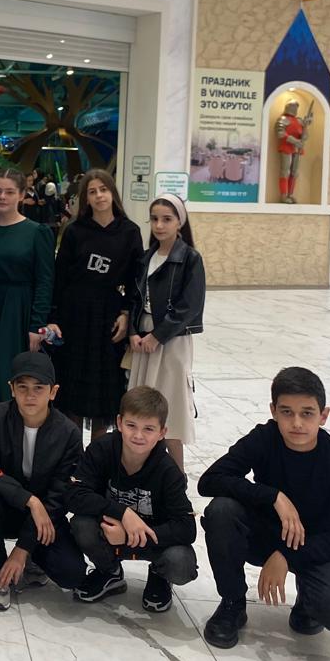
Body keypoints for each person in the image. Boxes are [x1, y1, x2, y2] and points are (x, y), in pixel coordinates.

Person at [198, 366, 330, 649]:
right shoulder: (264, 438)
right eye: (287, 412)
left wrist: (286, 556)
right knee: (222, 510)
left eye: (307, 413)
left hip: (314, 545)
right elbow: (210, 481)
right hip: (264, 533)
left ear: (323, 415)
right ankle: (232, 603)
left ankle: (307, 603)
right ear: (273, 411)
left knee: (328, 603)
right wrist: (273, 496)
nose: (296, 423)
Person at [0, 351, 88, 610]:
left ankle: (33, 557)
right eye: (22, 387)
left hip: (45, 516)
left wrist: (23, 548)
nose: (30, 395)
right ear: (11, 389)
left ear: (53, 392)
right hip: (7, 506)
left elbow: (61, 493)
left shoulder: (69, 433)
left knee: (72, 574)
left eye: (38, 388)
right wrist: (29, 500)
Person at [68, 384, 198, 611]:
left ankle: (159, 575)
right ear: (119, 423)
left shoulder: (169, 471)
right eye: (131, 426)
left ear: (162, 433)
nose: (138, 435)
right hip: (110, 533)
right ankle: (109, 571)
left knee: (181, 562)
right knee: (81, 525)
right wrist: (122, 513)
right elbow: (74, 495)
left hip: (152, 541)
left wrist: (132, 534)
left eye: (148, 429)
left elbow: (187, 528)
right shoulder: (101, 449)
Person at [47, 168, 143, 435]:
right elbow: (60, 278)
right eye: (92, 191)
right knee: (72, 389)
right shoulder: (75, 231)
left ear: (113, 193)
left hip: (108, 316)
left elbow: (136, 281)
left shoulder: (130, 232)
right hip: (75, 315)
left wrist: (126, 313)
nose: (99, 195)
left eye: (103, 189)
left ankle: (98, 455)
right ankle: (72, 453)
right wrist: (53, 317)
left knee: (104, 393)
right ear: (85, 199)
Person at [127, 194, 205, 472]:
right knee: (142, 405)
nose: (159, 225)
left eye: (167, 219)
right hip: (143, 340)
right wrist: (134, 332)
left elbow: (189, 306)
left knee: (171, 407)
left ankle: (176, 478)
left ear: (179, 222)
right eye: (155, 219)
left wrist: (158, 335)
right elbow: (135, 299)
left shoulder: (190, 258)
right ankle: (142, 471)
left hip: (172, 340)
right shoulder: (146, 257)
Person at [0, 168, 55, 406]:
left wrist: (37, 324)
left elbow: (45, 281)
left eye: (9, 192)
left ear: (21, 195)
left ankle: (8, 422)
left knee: (7, 371)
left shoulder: (36, 232)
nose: (2, 197)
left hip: (18, 309)